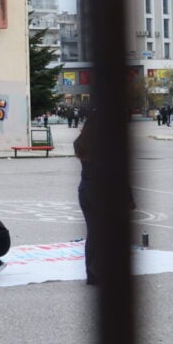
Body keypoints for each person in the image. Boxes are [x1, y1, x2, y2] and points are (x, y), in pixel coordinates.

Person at [74, 116, 136, 285]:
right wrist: (128, 198)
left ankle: (93, 272)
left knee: (93, 233)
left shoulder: (81, 144)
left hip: (86, 189)